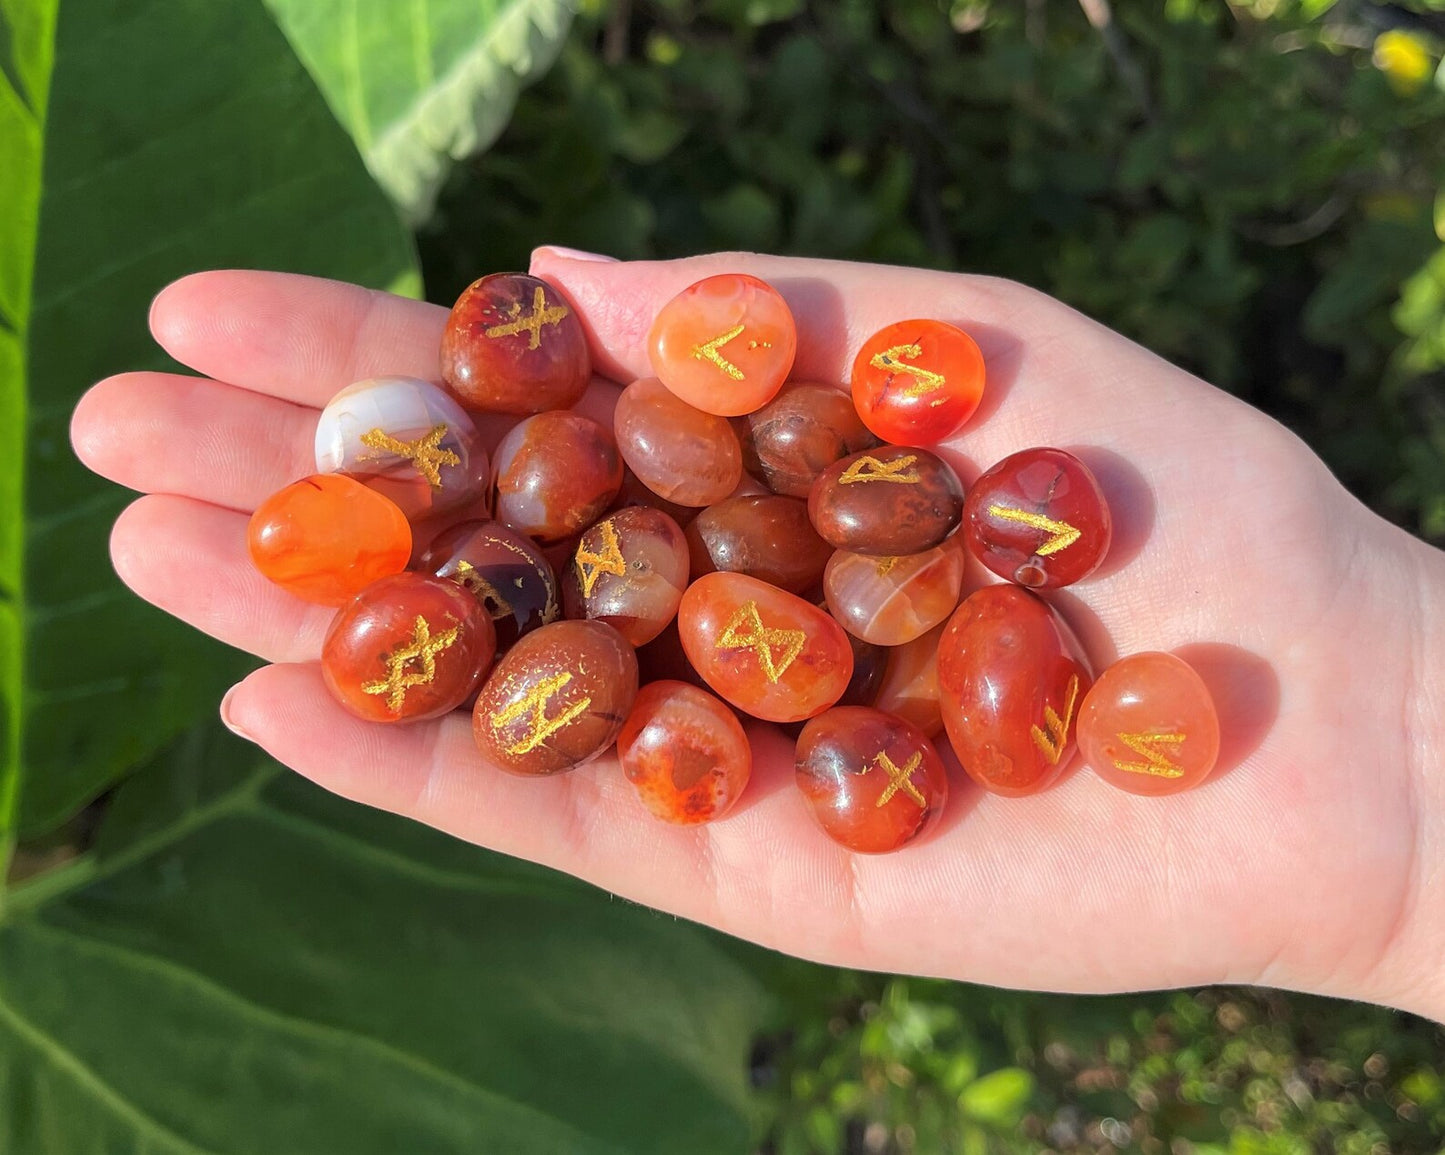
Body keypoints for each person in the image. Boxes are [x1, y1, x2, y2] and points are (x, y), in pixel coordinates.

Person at [69, 249, 1445, 1022]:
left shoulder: (847, 554)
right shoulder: (586, 531)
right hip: (659, 608)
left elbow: (785, 561)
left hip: (765, 618)